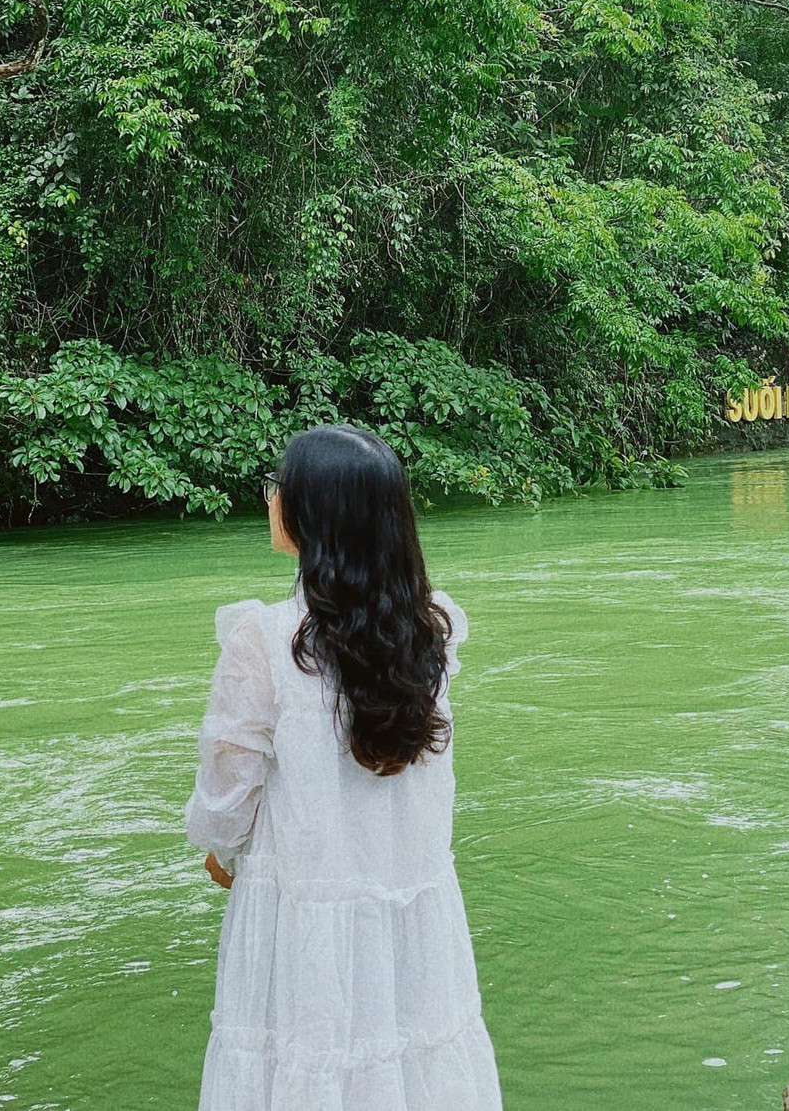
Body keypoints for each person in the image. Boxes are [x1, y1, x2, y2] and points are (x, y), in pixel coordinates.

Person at [185, 423, 502, 1111]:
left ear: (313, 514)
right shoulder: (429, 631)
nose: (271, 497)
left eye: (279, 486)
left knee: (304, 1062)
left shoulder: (264, 640)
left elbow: (226, 798)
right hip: (412, 903)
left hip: (303, 910)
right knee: (414, 1056)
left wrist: (221, 851)